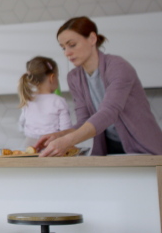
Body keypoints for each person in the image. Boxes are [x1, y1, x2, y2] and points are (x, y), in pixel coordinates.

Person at [36, 16, 162, 156]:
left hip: (143, 148)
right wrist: (60, 136)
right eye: (63, 48)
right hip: (110, 150)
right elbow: (84, 121)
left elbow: (109, 112)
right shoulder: (74, 77)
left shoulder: (118, 67)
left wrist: (67, 141)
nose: (67, 53)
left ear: (92, 39)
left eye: (72, 45)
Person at [17, 56, 71, 147]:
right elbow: (66, 130)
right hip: (51, 145)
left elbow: (21, 124)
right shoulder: (59, 101)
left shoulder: (29, 99)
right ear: (52, 78)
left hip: (29, 146)